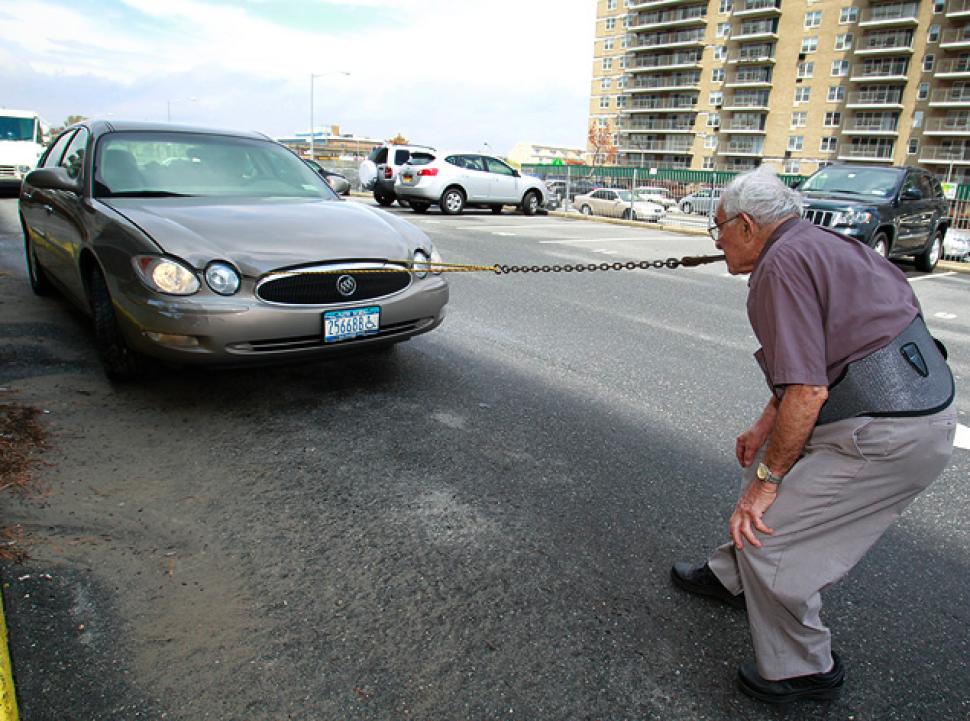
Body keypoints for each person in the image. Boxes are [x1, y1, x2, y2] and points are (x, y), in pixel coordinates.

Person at [671, 166, 957, 704]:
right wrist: (765, 429)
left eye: (719, 229)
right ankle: (733, 579)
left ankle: (804, 670)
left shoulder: (779, 269)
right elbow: (818, 361)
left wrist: (768, 482)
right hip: (898, 413)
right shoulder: (826, 245)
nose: (717, 241)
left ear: (748, 226)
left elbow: (807, 389)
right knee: (763, 470)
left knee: (769, 530)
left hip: (884, 432)